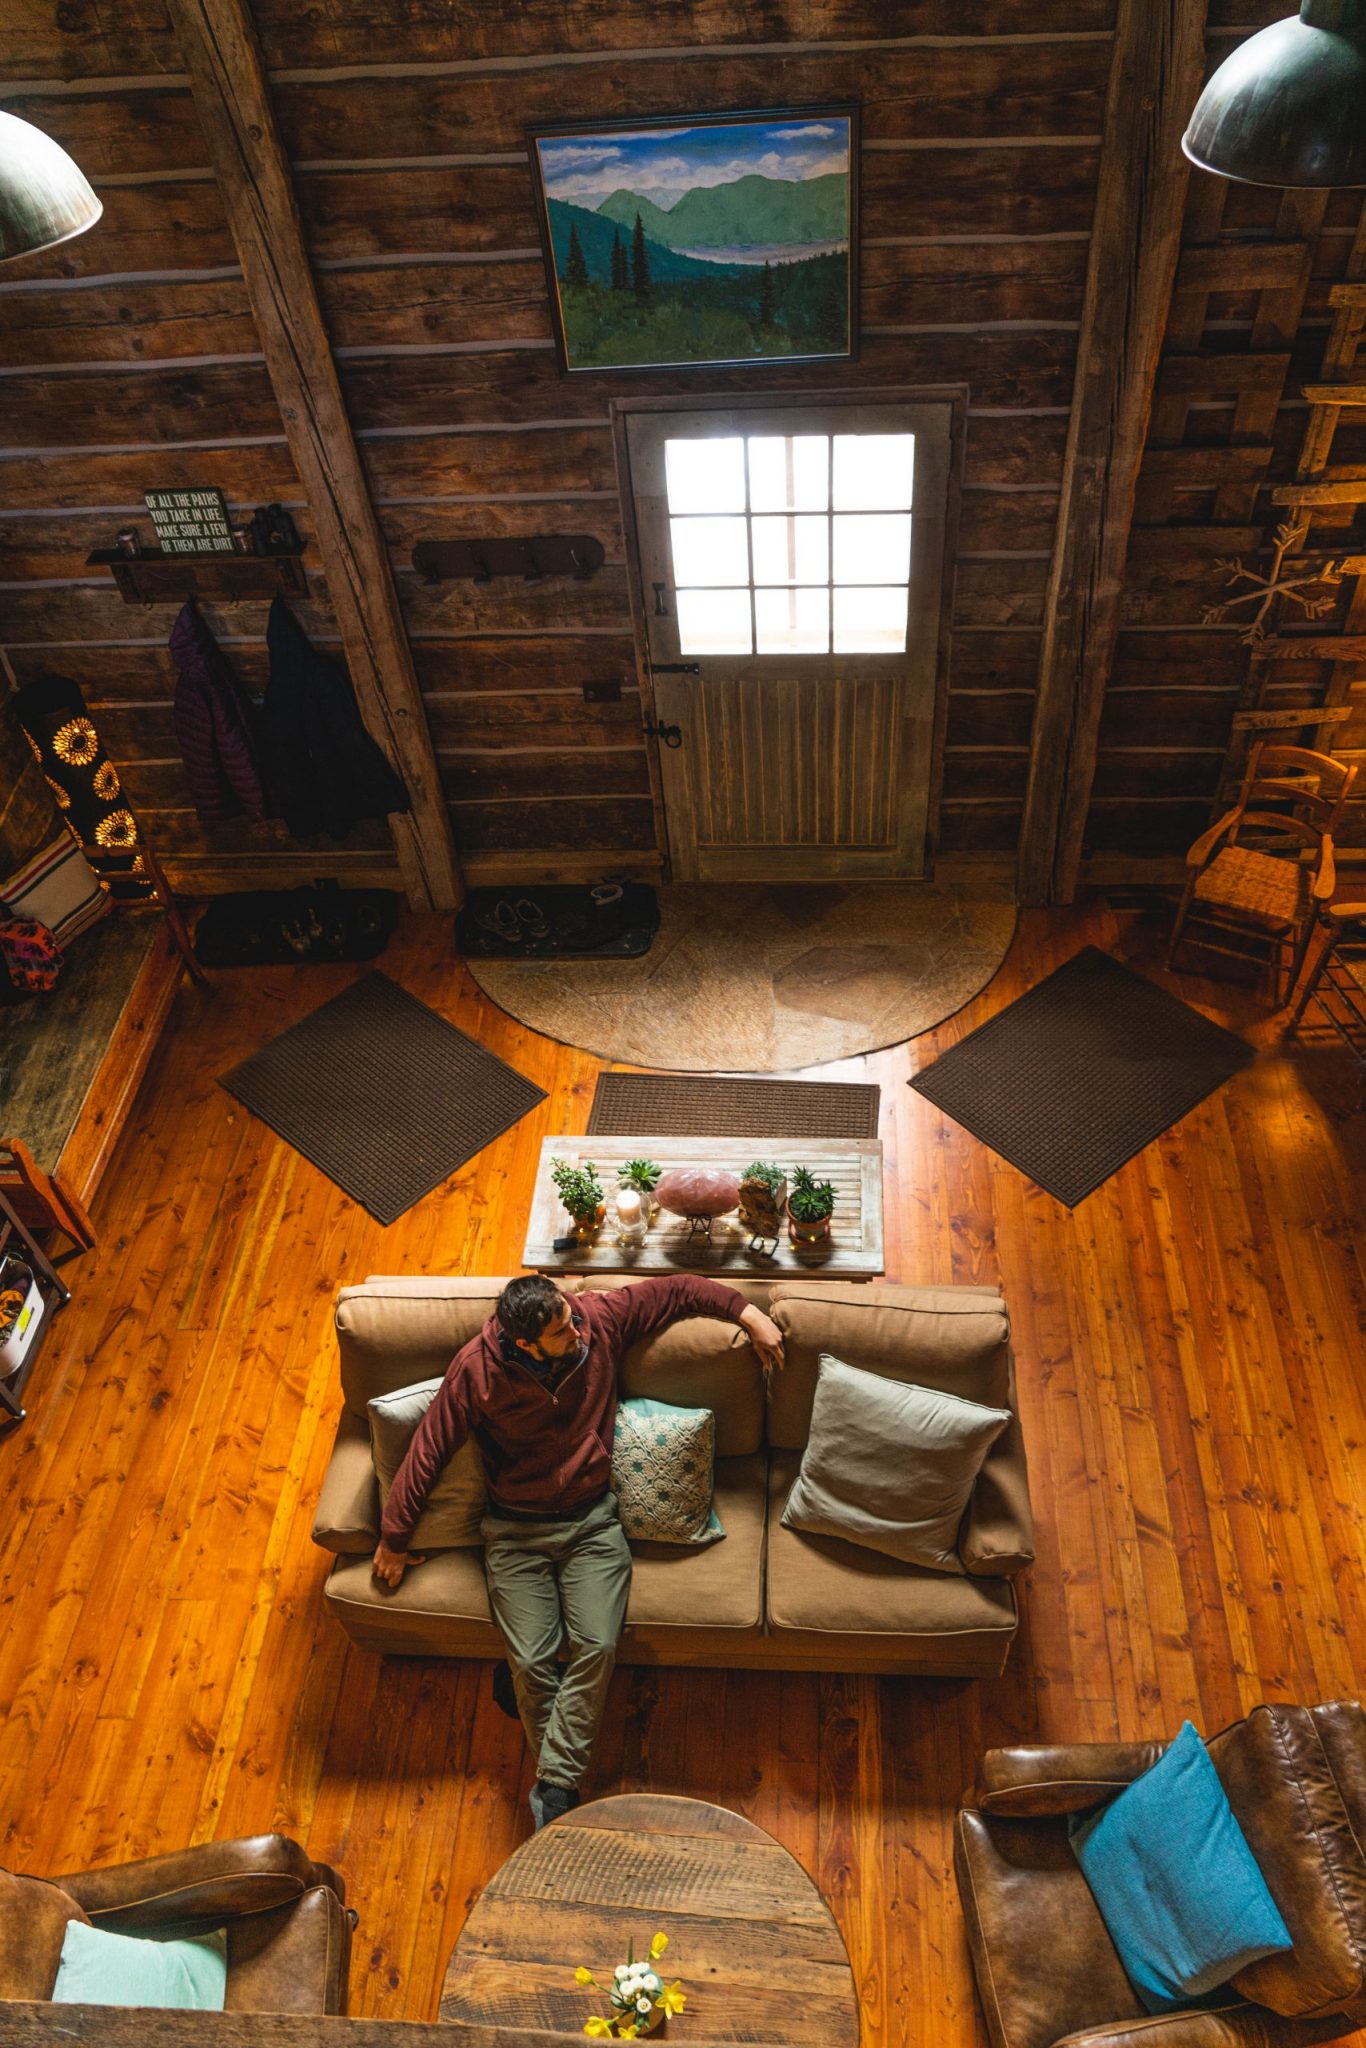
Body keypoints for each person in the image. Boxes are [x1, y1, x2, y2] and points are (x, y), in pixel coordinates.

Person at [372, 1273, 784, 1829]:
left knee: (596, 1645)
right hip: (515, 1532)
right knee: (533, 1661)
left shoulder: (598, 1318)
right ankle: (558, 1788)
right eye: (562, 1332)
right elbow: (430, 1447)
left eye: (570, 1317)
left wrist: (747, 1313)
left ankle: (555, 1795)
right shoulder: (476, 1371)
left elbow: (679, 1289)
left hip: (592, 1524)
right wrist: (394, 1537)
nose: (577, 1332)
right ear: (524, 1344)